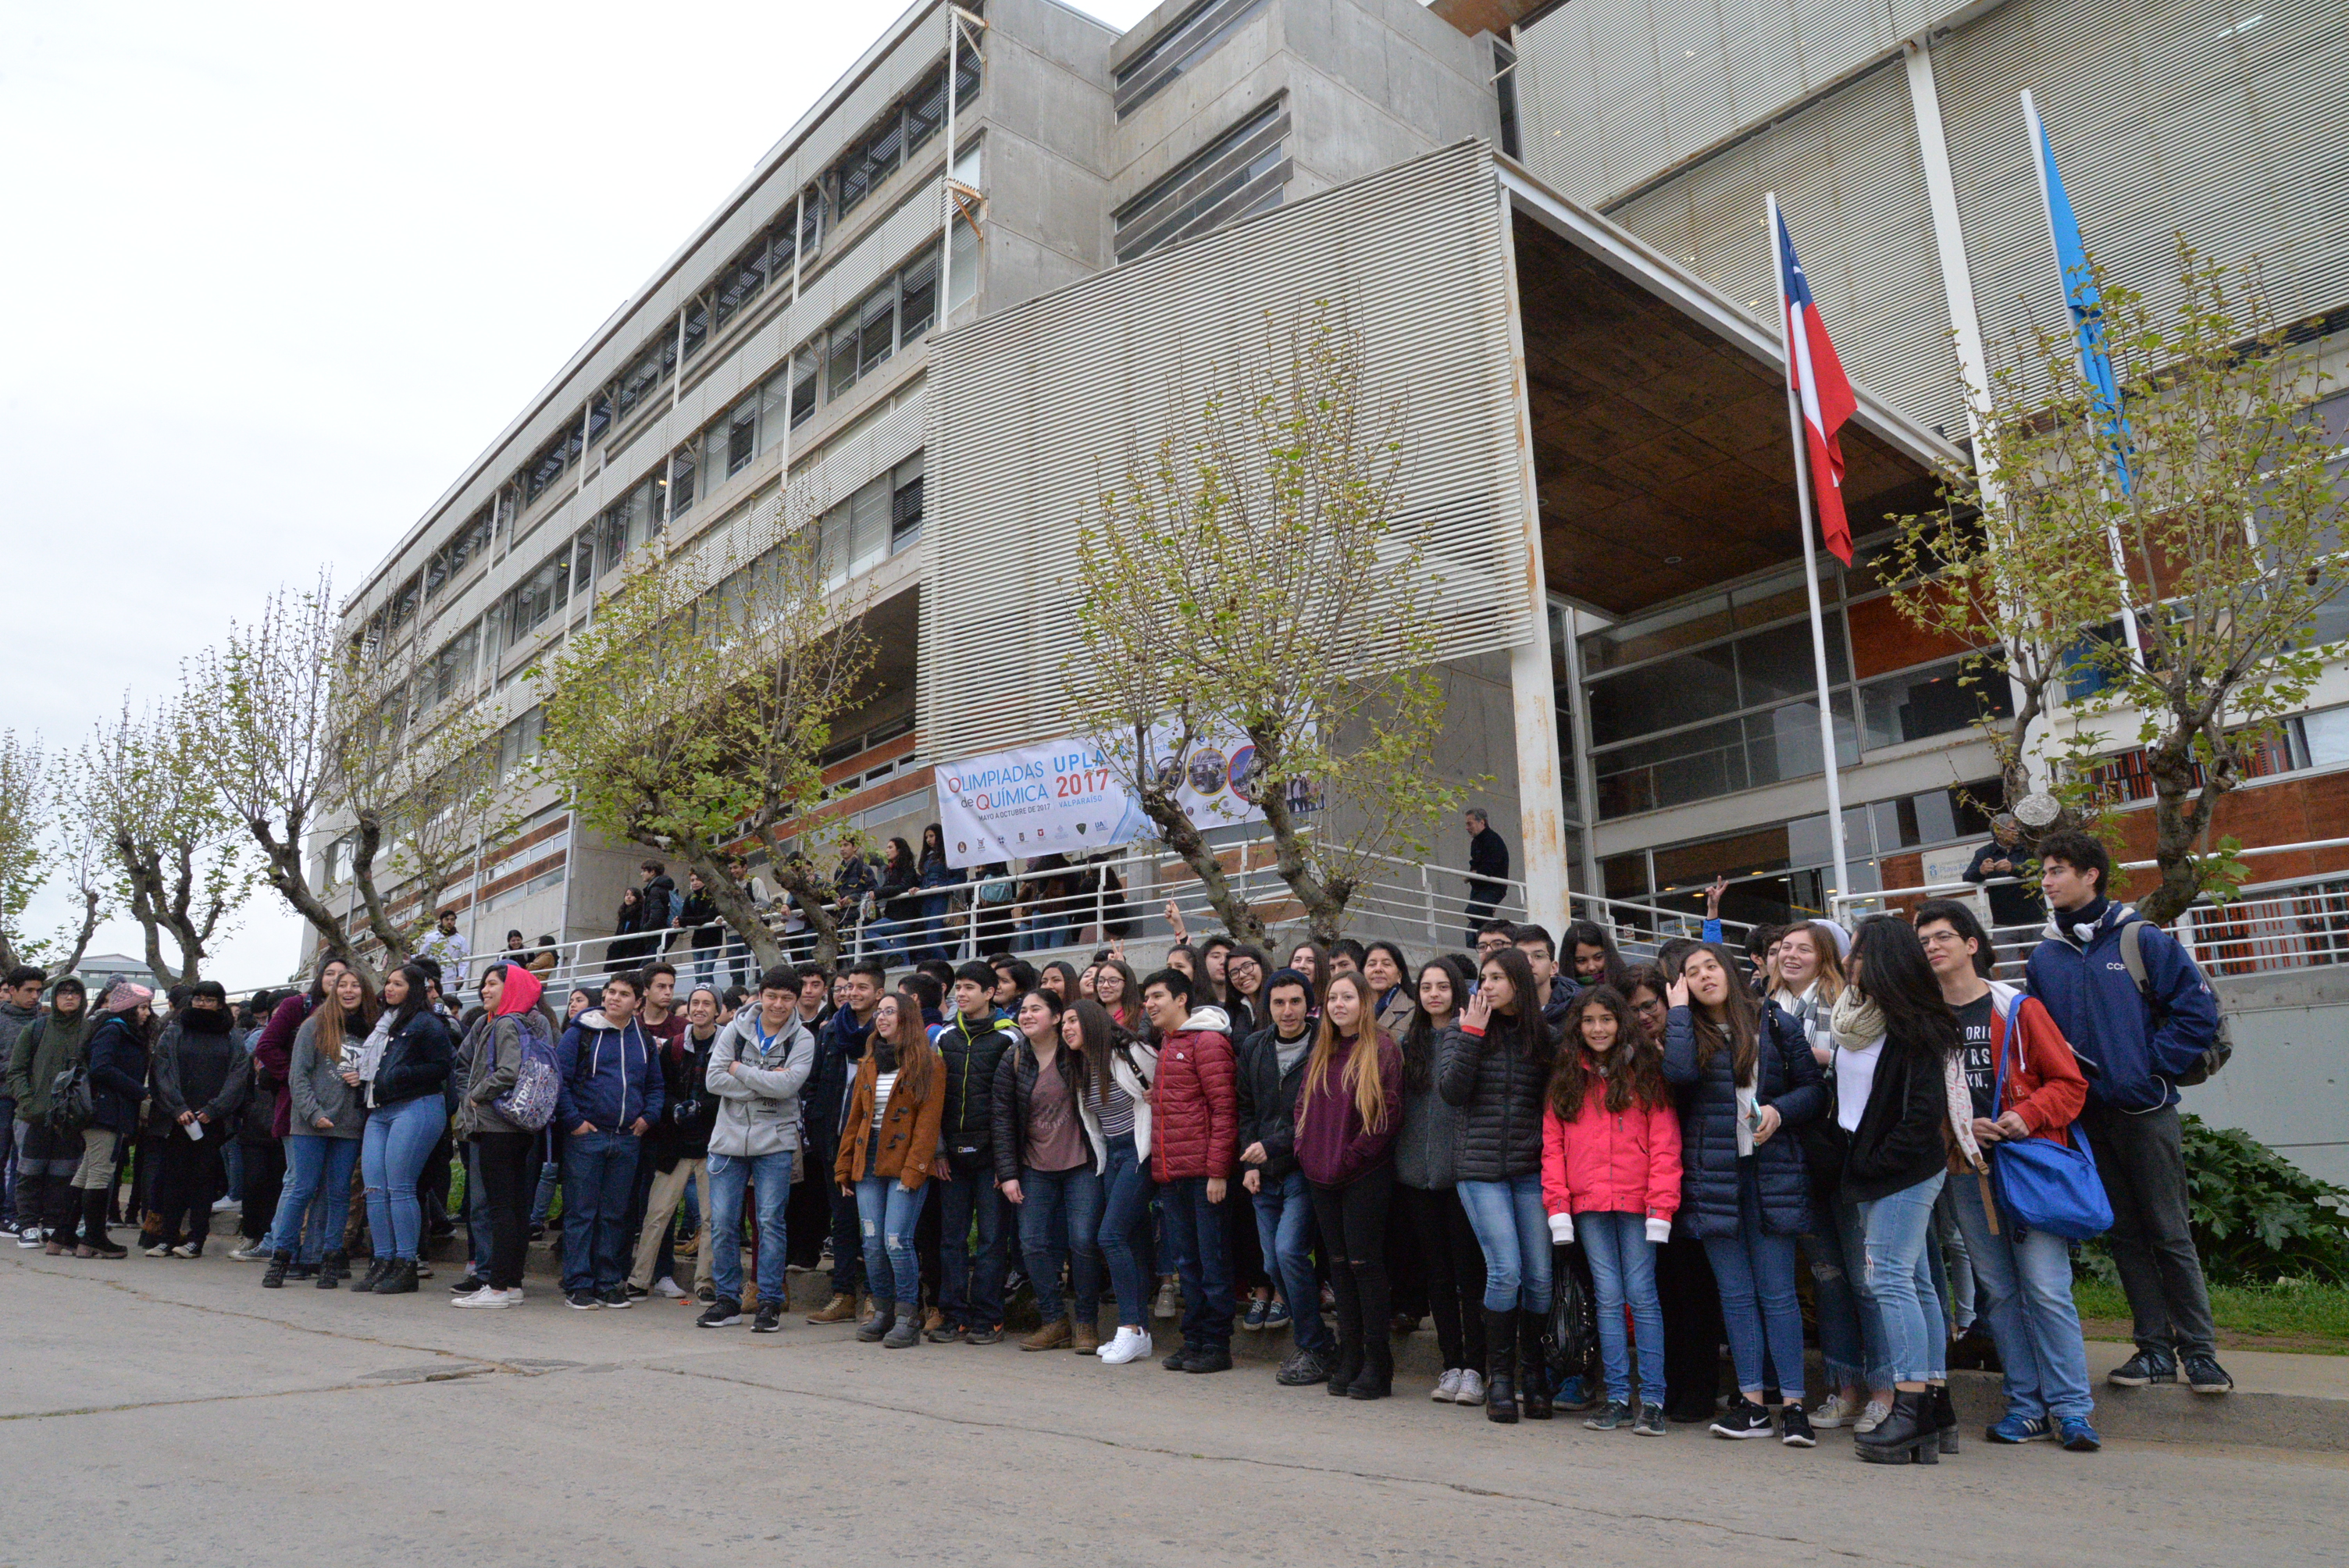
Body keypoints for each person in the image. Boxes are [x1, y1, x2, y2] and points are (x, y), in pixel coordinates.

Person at [2026, 829, 2231, 1395]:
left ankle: (2201, 1354)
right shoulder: (2045, 957)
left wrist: (2149, 1071)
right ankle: (2153, 1351)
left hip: (2147, 1110)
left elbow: (2197, 1014)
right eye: (2044, 872)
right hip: (2088, 1118)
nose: (2047, 881)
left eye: (2056, 870)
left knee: (2170, 1233)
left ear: (2090, 874)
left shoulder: (2141, 938)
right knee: (2125, 1237)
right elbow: (2042, 1040)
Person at [1916, 898, 2101, 1452]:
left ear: (1972, 945)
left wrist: (2026, 1115)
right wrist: (1954, 1126)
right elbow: (1917, 1099)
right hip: (1966, 1170)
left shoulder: (2018, 1009)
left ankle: (2072, 1409)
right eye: (1924, 941)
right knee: (1998, 1292)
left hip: (2028, 1167)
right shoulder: (1924, 1021)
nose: (1932, 947)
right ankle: (2026, 1406)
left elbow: (2069, 1083)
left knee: (2046, 1289)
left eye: (1943, 937)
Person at [1661, 943, 1828, 1446]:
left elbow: (1814, 1091)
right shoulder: (1686, 1031)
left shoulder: (1773, 1021)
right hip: (1714, 1176)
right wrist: (1677, 1013)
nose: (1704, 976)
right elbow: (1678, 1076)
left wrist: (1779, 1111)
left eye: (1711, 966)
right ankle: (1752, 1405)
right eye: (1692, 972)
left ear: (1729, 971)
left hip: (1771, 1171)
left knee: (1777, 1294)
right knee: (1735, 1296)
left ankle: (1793, 1405)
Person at [1837, 917, 1980, 1465]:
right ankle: (1935, 1408)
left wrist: (1875, 1162)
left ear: (1885, 960)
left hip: (1901, 1170)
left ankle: (1910, 1405)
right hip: (1872, 1169)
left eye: (1858, 954)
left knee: (1889, 1280)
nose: (1849, 963)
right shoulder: (1865, 1018)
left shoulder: (1919, 1026)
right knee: (1915, 1282)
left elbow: (1923, 1115)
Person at [1542, 985, 1681, 1435]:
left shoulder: (1647, 1073)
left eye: (1606, 1019)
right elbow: (1553, 1145)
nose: (1598, 1028)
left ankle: (1653, 1399)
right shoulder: (1567, 1075)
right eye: (1589, 1021)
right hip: (1588, 1203)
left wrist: (1661, 1206)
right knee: (1606, 1297)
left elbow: (1665, 1143)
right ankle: (1617, 1397)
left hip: (1638, 1202)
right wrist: (1558, 1206)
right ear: (1577, 1027)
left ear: (1621, 1023)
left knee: (1641, 1295)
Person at [1439, 946, 1557, 1424]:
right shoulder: (1462, 1029)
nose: (1485, 986)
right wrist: (1472, 1034)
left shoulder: (1543, 1036)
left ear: (1518, 983)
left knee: (1541, 1278)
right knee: (1505, 1270)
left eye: (1496, 978)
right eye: (1482, 978)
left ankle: (1535, 1373)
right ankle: (1501, 1378)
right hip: (1479, 1168)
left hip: (1530, 1167)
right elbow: (1451, 1093)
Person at [1765, 921, 1870, 1431]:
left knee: (1864, 1277)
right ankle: (1844, 1388)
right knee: (1827, 1278)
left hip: (1838, 1151)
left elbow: (1849, 1070)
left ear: (1825, 955)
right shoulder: (1764, 1006)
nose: (1790, 955)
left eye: (1803, 949)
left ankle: (1886, 1389)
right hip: (1791, 1156)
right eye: (1785, 947)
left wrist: (1814, 1059)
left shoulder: (1840, 1002)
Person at [1296, 971, 1405, 1400]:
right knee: (1338, 1266)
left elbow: (1386, 1115)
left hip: (1363, 1174)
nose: (1339, 1005)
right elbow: (1302, 1107)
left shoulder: (1383, 1048)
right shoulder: (1322, 1048)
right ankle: (1351, 1354)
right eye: (1332, 998)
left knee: (1364, 1265)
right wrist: (1305, 1151)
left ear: (1365, 1002)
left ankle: (1378, 1363)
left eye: (1348, 997)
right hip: (1320, 1175)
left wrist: (1349, 1159)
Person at [1622, 962, 1721, 1424]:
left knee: (1696, 1290)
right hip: (1650, 1187)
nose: (1643, 1016)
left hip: (1696, 1180)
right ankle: (1674, 1384)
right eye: (1633, 1010)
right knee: (1664, 1290)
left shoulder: (1692, 1041)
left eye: (1650, 1006)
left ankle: (1701, 1388)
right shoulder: (1628, 1056)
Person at [701, 968, 816, 1333]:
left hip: (775, 1142)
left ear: (796, 1000)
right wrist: (765, 1083)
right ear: (761, 995)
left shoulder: (803, 1038)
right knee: (722, 1222)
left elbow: (788, 1086)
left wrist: (739, 1070)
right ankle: (727, 1300)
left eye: (787, 998)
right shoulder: (734, 1030)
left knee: (770, 1222)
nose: (778, 1004)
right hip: (728, 1140)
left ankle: (769, 1301)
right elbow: (713, 1079)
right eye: (772, 996)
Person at [1235, 968, 1333, 1385]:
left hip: (1303, 1170)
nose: (1287, 1010)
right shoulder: (1255, 1046)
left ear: (1309, 1004)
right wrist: (1250, 1163)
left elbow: (1321, 1115)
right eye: (1278, 1003)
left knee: (1290, 1252)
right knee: (1274, 1263)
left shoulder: (1325, 1043)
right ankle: (1317, 1343)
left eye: (1295, 1001)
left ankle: (1314, 1346)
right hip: (1264, 1174)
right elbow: (1245, 1109)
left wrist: (1272, 1147)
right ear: (1267, 1006)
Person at [1395, 959, 1487, 1406]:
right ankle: (1451, 1364)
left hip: (1462, 1173)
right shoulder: (1408, 1043)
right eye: (1426, 987)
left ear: (1457, 990)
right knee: (1437, 1275)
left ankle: (1477, 1368)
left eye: (1442, 986)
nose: (1434, 994)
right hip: (1416, 1174)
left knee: (1470, 1275)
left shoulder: (1470, 1035)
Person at [993, 988, 1105, 1352]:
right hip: (1034, 1167)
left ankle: (1087, 1323)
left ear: (1057, 1018)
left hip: (1081, 1163)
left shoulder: (1076, 1053)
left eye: (1036, 1010)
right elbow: (1002, 1119)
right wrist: (1008, 1173)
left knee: (1083, 1242)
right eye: (1023, 1010)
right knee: (1032, 1242)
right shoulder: (1013, 1057)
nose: (1026, 1015)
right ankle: (1054, 1321)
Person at [832, 990, 943, 1348]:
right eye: (879, 1012)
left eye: (890, 1011)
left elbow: (928, 1124)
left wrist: (915, 1170)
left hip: (905, 1159)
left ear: (907, 1018)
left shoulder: (929, 1063)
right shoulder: (869, 1061)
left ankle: (908, 1315)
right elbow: (855, 1118)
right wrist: (844, 1166)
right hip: (868, 1157)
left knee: (896, 1240)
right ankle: (882, 1311)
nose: (881, 1017)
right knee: (872, 1241)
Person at [1142, 967, 1238, 1374]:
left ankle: (1216, 1344)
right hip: (1172, 1174)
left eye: (1157, 997)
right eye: (1147, 997)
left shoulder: (1208, 1041)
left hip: (1203, 1176)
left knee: (1212, 1262)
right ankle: (1194, 1339)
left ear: (1182, 999)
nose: (1149, 1004)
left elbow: (1225, 1110)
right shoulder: (1169, 1042)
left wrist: (1218, 1172)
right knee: (1187, 1262)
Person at [554, 971, 665, 1310]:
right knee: (581, 1213)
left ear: (638, 1002)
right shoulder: (580, 1033)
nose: (614, 998)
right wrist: (574, 1122)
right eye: (611, 991)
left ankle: (607, 1282)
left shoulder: (643, 1040)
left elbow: (655, 1086)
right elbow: (559, 1081)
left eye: (623, 994)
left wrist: (648, 1117)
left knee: (615, 1215)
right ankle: (578, 1283)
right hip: (587, 1138)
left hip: (628, 1138)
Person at [449, 961, 551, 1309]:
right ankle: (512, 1283)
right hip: (518, 1127)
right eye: (485, 984)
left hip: (496, 1125)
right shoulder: (522, 1022)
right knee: (516, 1208)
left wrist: (476, 1095)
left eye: (493, 984)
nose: (485, 990)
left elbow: (508, 1071)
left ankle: (496, 1289)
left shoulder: (505, 1023)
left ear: (512, 989)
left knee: (501, 1209)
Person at [351, 962, 454, 1295]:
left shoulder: (427, 1023)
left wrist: (399, 1076)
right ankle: (382, 1261)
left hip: (416, 1105)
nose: (389, 988)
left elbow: (443, 1066)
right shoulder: (385, 1023)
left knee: (400, 1187)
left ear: (414, 989)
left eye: (398, 983)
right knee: (375, 1188)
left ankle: (407, 1264)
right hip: (379, 1108)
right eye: (388, 983)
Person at [929, 962, 1018, 1343]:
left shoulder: (1010, 1037)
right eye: (958, 988)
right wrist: (938, 1150)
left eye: (969, 988)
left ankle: (988, 1317)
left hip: (992, 1158)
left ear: (990, 993)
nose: (961, 995)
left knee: (992, 1240)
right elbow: (932, 1100)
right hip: (951, 1157)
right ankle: (954, 1315)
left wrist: (1006, 1163)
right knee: (951, 1239)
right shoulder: (944, 1037)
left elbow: (1016, 1105)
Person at [267, 969, 373, 1287]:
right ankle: (281, 1256)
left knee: (339, 1193)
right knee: (303, 1189)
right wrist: (314, 1114)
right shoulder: (313, 1026)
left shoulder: (371, 1031)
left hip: (348, 1124)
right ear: (333, 990)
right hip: (310, 1124)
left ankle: (330, 1256)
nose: (349, 990)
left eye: (356, 985)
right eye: (343, 985)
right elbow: (297, 1076)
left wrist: (364, 1078)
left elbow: (378, 1075)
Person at [1069, 996, 1157, 1364]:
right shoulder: (1082, 1064)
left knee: (1110, 1236)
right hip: (1113, 1157)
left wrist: (1158, 1097)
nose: (1067, 1029)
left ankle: (1130, 1328)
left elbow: (1166, 1089)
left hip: (1140, 1151)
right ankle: (1141, 1334)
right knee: (1132, 1242)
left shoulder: (1132, 1052)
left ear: (1092, 1022)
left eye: (1073, 1021)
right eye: (1064, 1023)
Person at [630, 985, 722, 1306]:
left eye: (707, 1003)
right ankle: (639, 1279)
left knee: (711, 1219)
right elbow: (661, 1087)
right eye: (695, 1002)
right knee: (656, 1214)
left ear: (717, 1010)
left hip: (713, 1146)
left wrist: (702, 1107)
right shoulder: (674, 1046)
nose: (700, 1008)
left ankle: (705, 1282)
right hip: (675, 1145)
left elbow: (730, 1092)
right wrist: (675, 1108)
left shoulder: (729, 1045)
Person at [804, 960, 883, 1323]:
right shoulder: (832, 1030)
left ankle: (876, 1296)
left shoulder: (888, 1034)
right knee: (843, 1221)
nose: (853, 993)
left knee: (874, 1223)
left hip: (874, 1144)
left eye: (862, 987)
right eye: (850, 986)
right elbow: (815, 1082)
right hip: (833, 1140)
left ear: (879, 993)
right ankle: (843, 1294)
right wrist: (816, 1125)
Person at [8, 975, 91, 1254]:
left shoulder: (90, 1030)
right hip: (35, 1115)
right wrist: (28, 1102)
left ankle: (53, 1224)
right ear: (54, 998)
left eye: (75, 993)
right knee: (29, 1171)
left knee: (63, 1173)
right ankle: (28, 1224)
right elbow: (17, 1070)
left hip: (71, 1118)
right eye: (63, 992)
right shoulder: (37, 1028)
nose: (69, 997)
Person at [68, 983, 151, 1260]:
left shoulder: (115, 1029)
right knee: (101, 1172)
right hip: (104, 1111)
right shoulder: (114, 1029)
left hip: (106, 1109)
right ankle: (94, 1238)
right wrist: (139, 1091)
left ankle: (63, 1234)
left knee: (88, 1170)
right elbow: (101, 1067)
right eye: (142, 1007)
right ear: (128, 1008)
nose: (147, 1013)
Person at [0, 965, 41, 1238]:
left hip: (31, 1101)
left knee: (23, 1160)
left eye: (39, 991)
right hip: (4, 1098)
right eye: (29, 990)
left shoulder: (44, 1021)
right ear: (12, 990)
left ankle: (14, 1213)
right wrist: (19, 1068)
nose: (35, 996)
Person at [1962, 814, 2045, 936]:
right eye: (2012, 829)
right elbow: (1966, 877)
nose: (2016, 832)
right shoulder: (1984, 853)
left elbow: (2041, 868)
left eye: (2017, 828)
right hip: (2003, 923)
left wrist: (2014, 868)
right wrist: (1981, 871)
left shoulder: (2028, 848)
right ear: (1998, 831)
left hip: (2035, 919)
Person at [914, 823, 966, 963]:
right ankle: (942, 966)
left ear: (939, 836)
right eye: (927, 837)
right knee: (931, 939)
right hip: (927, 899)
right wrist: (918, 888)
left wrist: (942, 886)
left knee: (932, 939)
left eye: (931, 836)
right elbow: (925, 879)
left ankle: (946, 967)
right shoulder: (927, 857)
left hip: (941, 898)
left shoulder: (948, 854)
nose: (928, 840)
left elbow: (961, 877)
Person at [1463, 807, 1509, 944]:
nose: (1467, 828)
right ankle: (1483, 944)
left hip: (1493, 887)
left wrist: (1470, 875)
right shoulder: (1476, 842)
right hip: (1479, 888)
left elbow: (1489, 868)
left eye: (1470, 824)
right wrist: (1472, 874)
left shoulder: (1493, 840)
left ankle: (1499, 935)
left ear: (1482, 822)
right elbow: (1475, 863)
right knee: (1475, 924)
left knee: (1474, 911)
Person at [677, 871, 724, 991]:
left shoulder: (713, 896)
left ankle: (712, 995)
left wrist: (684, 921)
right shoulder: (690, 898)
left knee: (706, 974)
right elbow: (684, 918)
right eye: (692, 880)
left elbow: (707, 917)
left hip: (713, 941)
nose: (695, 883)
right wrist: (680, 921)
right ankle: (701, 995)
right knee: (698, 977)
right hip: (697, 942)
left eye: (698, 879)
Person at [1561, 921, 1633, 994]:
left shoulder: (1629, 987)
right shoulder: (1561, 995)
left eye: (1598, 958)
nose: (1591, 967)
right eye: (1581, 961)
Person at [1361, 941, 1413, 1039]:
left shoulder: (1413, 1011)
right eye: (1372, 964)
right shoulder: (1356, 1008)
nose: (1378, 969)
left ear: (1399, 975)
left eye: (1386, 964)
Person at [417, 909, 472, 992]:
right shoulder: (431, 937)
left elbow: (464, 960)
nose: (449, 922)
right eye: (447, 919)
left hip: (450, 975)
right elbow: (423, 955)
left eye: (452, 920)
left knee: (448, 997)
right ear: (442, 921)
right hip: (432, 973)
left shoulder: (461, 940)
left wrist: (461, 976)